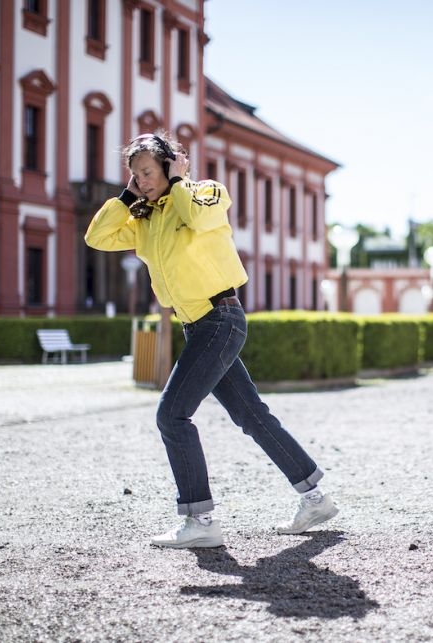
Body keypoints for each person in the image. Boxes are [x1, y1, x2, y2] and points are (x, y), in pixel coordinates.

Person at [85, 132, 338, 548]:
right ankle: (315, 498)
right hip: (197, 326)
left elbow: (199, 219)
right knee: (252, 416)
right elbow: (97, 238)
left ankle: (200, 520)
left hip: (220, 318)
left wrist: (180, 181)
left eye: (148, 172)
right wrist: (127, 198)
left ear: (170, 165)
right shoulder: (146, 217)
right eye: (135, 175)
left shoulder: (207, 193)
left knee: (172, 416)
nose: (142, 180)